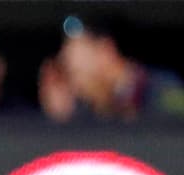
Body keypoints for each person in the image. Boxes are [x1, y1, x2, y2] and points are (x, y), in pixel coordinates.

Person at [39, 14, 184, 123]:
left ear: (105, 51)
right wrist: (61, 119)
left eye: (77, 73)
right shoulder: (83, 111)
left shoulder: (163, 92)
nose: (76, 86)